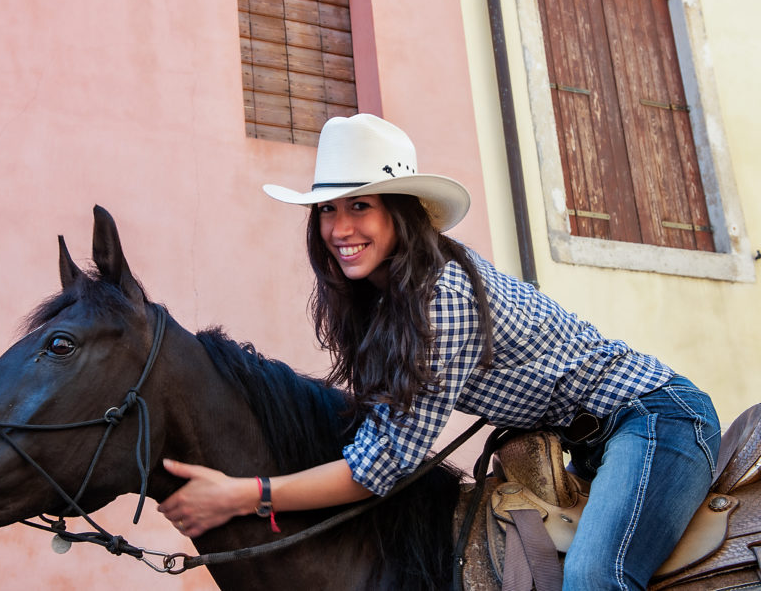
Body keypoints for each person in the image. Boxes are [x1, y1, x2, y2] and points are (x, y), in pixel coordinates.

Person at [157, 113, 720, 589]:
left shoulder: (438, 301)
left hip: (652, 419)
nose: (339, 227)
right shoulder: (386, 304)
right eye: (328, 209)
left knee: (596, 579)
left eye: (360, 206)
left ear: (399, 213)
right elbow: (379, 436)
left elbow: (381, 466)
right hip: (586, 444)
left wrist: (245, 496)